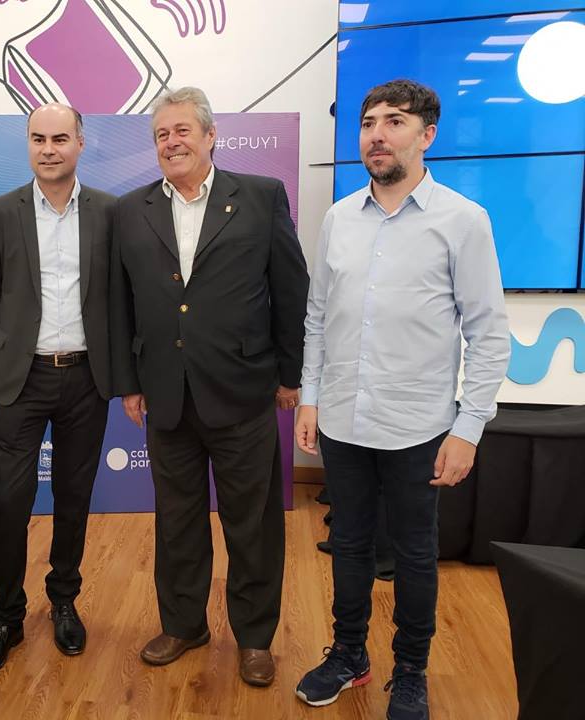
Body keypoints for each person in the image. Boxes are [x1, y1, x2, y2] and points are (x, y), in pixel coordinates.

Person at [294, 79, 510, 720]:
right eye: (368, 123)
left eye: (394, 121)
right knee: (349, 545)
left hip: (419, 425)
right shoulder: (339, 218)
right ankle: (349, 654)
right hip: (342, 419)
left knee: (415, 554)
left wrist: (469, 427)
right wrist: (310, 398)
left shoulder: (463, 220)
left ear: (427, 135)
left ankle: (411, 670)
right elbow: (317, 318)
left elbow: (488, 332)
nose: (377, 135)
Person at [110, 86, 308, 687]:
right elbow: (121, 303)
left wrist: (291, 376)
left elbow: (290, 290)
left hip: (244, 392)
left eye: (182, 131)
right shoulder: (131, 209)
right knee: (177, 522)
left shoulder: (261, 196)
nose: (171, 142)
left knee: (253, 526)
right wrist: (129, 383)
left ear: (210, 135)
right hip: (166, 395)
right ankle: (184, 625)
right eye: (161, 134)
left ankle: (254, 638)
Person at [0, 103, 115, 678]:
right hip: (20, 377)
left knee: (74, 496)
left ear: (80, 142)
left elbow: (119, 290)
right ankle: (6, 616)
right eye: (38, 139)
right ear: (27, 144)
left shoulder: (109, 211)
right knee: (10, 500)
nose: (48, 149)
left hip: (86, 377)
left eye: (59, 138)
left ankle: (64, 601)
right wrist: (19, 332)